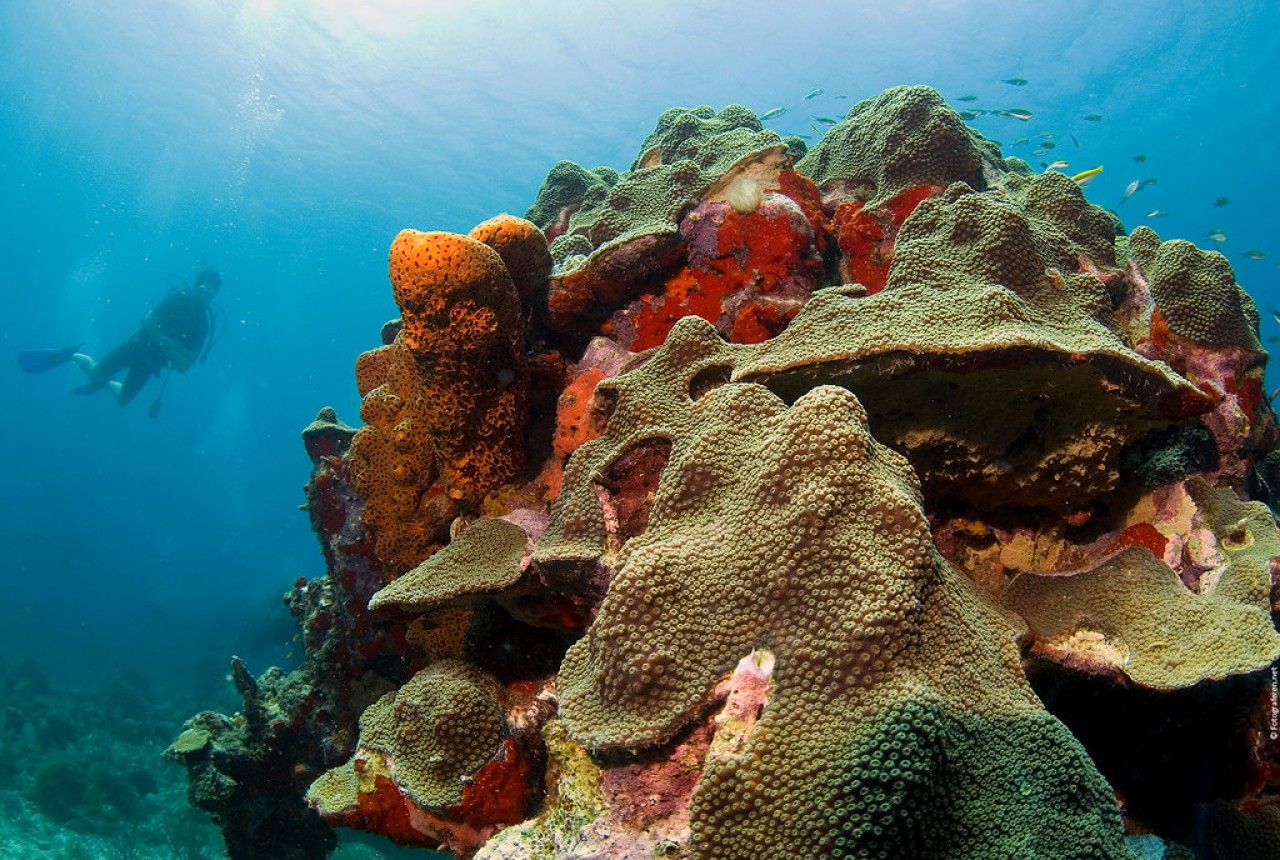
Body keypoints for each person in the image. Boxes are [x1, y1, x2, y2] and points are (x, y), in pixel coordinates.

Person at [18, 268, 224, 415]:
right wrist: (174, 348)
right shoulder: (177, 300)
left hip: (151, 362)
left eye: (212, 289)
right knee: (95, 373)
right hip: (136, 346)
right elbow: (146, 322)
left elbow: (185, 365)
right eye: (205, 285)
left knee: (123, 400)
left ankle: (105, 381)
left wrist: (160, 338)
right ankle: (71, 356)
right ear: (197, 284)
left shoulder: (203, 325)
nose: (207, 291)